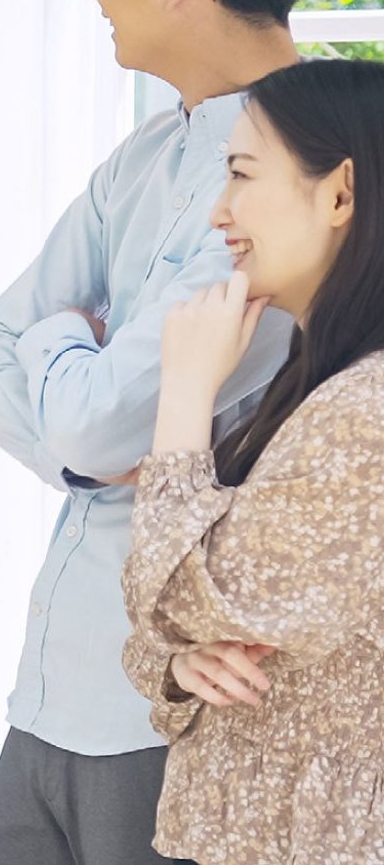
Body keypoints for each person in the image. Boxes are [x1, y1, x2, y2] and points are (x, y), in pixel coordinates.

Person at [0, 0, 336, 864]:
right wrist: (81, 425)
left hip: (178, 695)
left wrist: (65, 371)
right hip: (52, 680)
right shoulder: (137, 160)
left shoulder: (302, 175)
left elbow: (102, 415)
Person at [122, 59, 384, 864]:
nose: (217, 213)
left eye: (240, 173)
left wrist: (186, 394)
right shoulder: (318, 390)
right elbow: (155, 636)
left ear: (340, 193)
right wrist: (180, 655)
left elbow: (167, 600)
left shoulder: (363, 415)